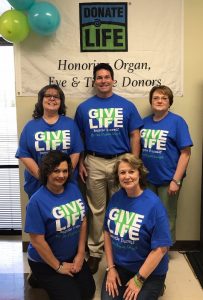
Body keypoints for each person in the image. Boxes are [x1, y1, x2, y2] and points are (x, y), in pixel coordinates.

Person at [75, 63, 143, 274]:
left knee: (121, 208)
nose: (103, 80)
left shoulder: (127, 105)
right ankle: (95, 252)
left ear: (113, 80)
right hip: (93, 161)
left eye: (107, 77)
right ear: (94, 81)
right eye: (99, 77)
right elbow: (79, 138)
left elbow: (135, 135)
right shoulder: (84, 108)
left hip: (120, 161)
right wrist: (79, 163)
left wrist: (133, 164)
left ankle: (120, 250)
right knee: (96, 209)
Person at [24, 150, 96, 300]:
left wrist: (80, 253)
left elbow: (83, 220)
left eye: (65, 171)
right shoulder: (36, 202)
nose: (61, 175)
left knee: (88, 292)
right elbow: (37, 241)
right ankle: (38, 276)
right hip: (45, 261)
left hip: (71, 255)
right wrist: (58, 266)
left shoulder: (74, 189)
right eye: (56, 171)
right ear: (46, 172)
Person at [101, 153, 172, 300]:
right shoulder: (115, 199)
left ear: (140, 173)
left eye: (131, 171)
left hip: (149, 272)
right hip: (121, 267)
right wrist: (111, 268)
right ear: (118, 176)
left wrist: (138, 280)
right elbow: (107, 232)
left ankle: (157, 286)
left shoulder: (154, 205)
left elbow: (161, 249)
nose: (127, 176)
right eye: (122, 172)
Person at [140, 85, 193, 242]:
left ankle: (163, 251)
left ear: (170, 102)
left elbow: (186, 153)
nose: (159, 101)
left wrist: (176, 180)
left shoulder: (177, 122)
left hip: (168, 180)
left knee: (166, 216)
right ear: (151, 102)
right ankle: (150, 248)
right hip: (147, 179)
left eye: (164, 98)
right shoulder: (144, 123)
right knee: (147, 213)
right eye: (156, 98)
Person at [16, 84, 83, 198]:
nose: (52, 98)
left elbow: (76, 152)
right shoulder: (30, 126)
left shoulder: (70, 124)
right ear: (41, 100)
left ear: (61, 101)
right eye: (48, 95)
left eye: (56, 97)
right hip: (38, 185)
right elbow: (24, 154)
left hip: (66, 184)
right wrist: (44, 178)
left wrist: (62, 177)